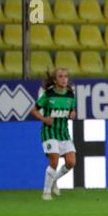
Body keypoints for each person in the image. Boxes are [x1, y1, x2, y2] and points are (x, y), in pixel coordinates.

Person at [30, 68, 76, 201]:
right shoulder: (48, 94)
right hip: (49, 132)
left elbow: (71, 110)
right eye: (61, 76)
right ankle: (46, 192)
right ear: (55, 80)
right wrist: (44, 119)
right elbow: (34, 110)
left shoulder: (70, 94)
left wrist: (72, 114)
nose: (64, 79)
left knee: (71, 162)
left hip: (64, 132)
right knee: (54, 160)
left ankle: (54, 180)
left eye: (66, 76)